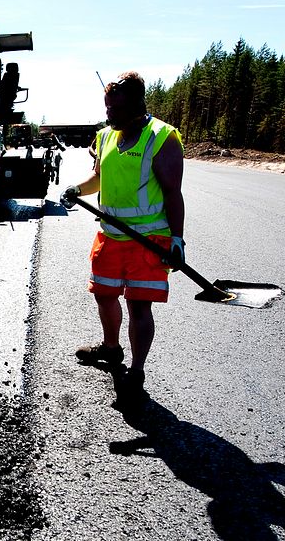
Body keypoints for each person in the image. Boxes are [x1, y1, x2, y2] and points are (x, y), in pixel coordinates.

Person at [60, 71, 186, 397]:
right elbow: (97, 179)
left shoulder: (162, 137)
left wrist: (177, 240)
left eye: (114, 109)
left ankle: (138, 370)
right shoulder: (105, 137)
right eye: (106, 108)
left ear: (135, 104)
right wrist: (77, 189)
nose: (108, 114)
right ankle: (111, 348)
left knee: (139, 307)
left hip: (149, 240)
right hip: (110, 236)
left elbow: (173, 192)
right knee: (104, 295)